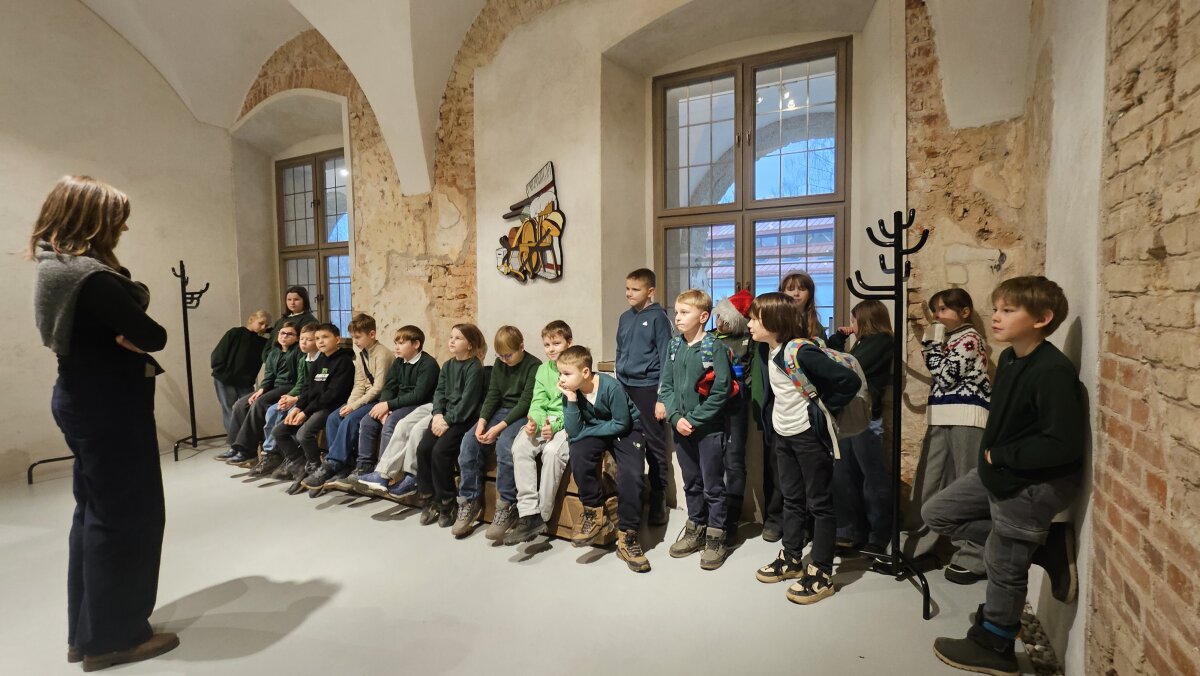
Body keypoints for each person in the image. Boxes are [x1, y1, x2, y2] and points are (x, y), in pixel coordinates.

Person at [32, 175, 178, 670]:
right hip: (109, 403)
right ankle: (114, 639)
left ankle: (87, 633)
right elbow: (153, 335)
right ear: (91, 220)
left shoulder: (55, 265)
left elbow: (136, 328)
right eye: (117, 219)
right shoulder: (90, 278)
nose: (123, 227)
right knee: (126, 519)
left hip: (83, 397)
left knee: (95, 514)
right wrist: (136, 323)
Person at [929, 276, 1084, 675]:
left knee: (1004, 563)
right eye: (996, 308)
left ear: (1042, 318)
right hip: (1001, 470)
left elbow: (1062, 445)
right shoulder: (1013, 358)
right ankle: (1041, 546)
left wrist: (1000, 454)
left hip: (1033, 481)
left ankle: (995, 646)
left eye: (1008, 310)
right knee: (937, 514)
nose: (996, 317)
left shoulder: (1052, 371)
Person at [749, 292, 860, 606]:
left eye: (755, 318)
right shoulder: (768, 349)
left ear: (775, 321)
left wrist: (821, 411)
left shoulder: (799, 350)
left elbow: (848, 382)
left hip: (808, 437)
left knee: (820, 504)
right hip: (784, 435)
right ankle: (792, 558)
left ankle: (822, 571)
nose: (750, 324)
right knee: (791, 498)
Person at [904, 288, 992, 584]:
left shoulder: (970, 339)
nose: (937, 315)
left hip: (968, 416)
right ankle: (919, 544)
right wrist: (934, 345)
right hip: (941, 415)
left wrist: (930, 344)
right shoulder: (948, 340)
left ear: (964, 312)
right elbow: (940, 372)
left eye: (943, 309)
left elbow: (945, 376)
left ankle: (974, 555)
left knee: (966, 484)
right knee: (929, 479)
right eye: (935, 310)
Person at [560, 346, 651, 573]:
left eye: (567, 373)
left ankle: (628, 537)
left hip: (627, 430)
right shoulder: (571, 391)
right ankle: (594, 512)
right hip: (598, 429)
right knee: (578, 453)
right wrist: (571, 399)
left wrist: (587, 432)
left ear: (585, 372)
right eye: (560, 373)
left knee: (632, 473)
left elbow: (621, 423)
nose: (561, 379)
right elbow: (574, 431)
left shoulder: (610, 386)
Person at [660, 289, 733, 570]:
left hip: (708, 430)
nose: (677, 317)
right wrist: (675, 417)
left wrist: (694, 419)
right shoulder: (673, 346)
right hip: (681, 428)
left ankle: (716, 536)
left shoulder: (714, 347)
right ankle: (695, 528)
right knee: (691, 482)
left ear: (703, 317)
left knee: (713, 484)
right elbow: (666, 386)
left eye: (684, 312)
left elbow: (721, 390)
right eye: (676, 312)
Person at [453, 326, 541, 538]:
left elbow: (525, 402)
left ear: (521, 347)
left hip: (522, 413)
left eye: (508, 355)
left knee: (505, 445)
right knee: (469, 442)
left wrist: (498, 428)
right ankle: (469, 501)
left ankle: (507, 505)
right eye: (500, 356)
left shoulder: (534, 366)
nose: (504, 360)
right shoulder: (500, 365)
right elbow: (493, 395)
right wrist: (482, 422)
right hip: (500, 411)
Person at [827, 300, 894, 558]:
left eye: (854, 319)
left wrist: (837, 348)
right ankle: (850, 532)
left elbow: (846, 367)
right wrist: (837, 338)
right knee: (844, 476)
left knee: (872, 479)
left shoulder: (882, 341)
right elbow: (838, 362)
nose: (851, 324)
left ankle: (878, 535)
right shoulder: (863, 343)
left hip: (866, 418)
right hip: (849, 416)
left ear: (866, 319)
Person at [498, 320, 573, 545]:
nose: (551, 349)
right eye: (547, 344)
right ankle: (528, 513)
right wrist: (535, 421)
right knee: (520, 445)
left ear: (569, 343)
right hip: (545, 421)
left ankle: (543, 515)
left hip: (568, 422)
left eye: (556, 343)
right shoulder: (542, 369)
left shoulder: (575, 366)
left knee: (551, 452)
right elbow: (537, 402)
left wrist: (554, 426)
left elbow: (573, 406)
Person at [300, 313, 394, 493]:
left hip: (379, 399)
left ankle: (332, 463)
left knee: (351, 419)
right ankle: (343, 464)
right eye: (353, 337)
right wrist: (349, 405)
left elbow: (378, 388)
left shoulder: (382, 354)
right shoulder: (361, 354)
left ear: (372, 334)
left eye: (358, 337)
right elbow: (359, 384)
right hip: (364, 398)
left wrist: (355, 406)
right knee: (334, 417)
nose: (355, 341)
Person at [348, 326, 439, 495]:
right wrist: (384, 405)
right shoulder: (398, 362)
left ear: (416, 344)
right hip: (397, 403)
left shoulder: (428, 364)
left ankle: (383, 475)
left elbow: (418, 395)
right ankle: (364, 466)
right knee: (368, 421)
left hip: (418, 405)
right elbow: (389, 386)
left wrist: (389, 406)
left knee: (392, 422)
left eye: (401, 343)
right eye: (396, 343)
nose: (396, 347)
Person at [615, 268, 672, 526]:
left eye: (635, 289)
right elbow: (620, 351)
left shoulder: (659, 318)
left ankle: (658, 495)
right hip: (625, 387)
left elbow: (666, 357)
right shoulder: (624, 318)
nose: (629, 293)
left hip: (648, 389)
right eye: (627, 288)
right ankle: (632, 495)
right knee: (627, 439)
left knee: (654, 442)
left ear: (650, 291)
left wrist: (662, 397)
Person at [415, 324, 488, 527]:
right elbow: (439, 393)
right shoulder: (447, 365)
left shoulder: (475, 367)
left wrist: (447, 420)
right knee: (423, 449)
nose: (452, 341)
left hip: (464, 419)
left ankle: (447, 502)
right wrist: (438, 414)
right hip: (444, 417)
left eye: (458, 338)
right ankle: (429, 498)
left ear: (470, 345)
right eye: (451, 337)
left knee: (440, 452)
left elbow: (468, 402)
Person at [272, 323, 355, 494]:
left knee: (304, 434)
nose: (320, 341)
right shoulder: (318, 360)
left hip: (332, 407)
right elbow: (307, 389)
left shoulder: (344, 362)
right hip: (313, 406)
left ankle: (315, 468)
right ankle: (301, 464)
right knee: (279, 431)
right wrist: (298, 408)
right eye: (317, 338)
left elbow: (332, 395)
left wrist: (306, 412)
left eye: (325, 337)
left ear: (337, 339)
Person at [219, 320, 302, 466]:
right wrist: (262, 389)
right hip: (273, 386)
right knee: (240, 404)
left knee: (259, 403)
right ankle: (234, 446)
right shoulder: (274, 352)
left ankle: (246, 450)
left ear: (297, 338)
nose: (284, 336)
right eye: (282, 333)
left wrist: (265, 393)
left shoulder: (298, 352)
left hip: (289, 387)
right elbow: (269, 376)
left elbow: (299, 379)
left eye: (290, 334)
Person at [253, 323, 320, 479]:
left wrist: (295, 399)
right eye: (302, 339)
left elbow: (315, 389)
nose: (303, 343)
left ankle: (290, 457)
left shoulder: (320, 360)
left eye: (309, 340)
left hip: (310, 400)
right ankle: (271, 453)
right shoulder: (303, 360)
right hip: (301, 396)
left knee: (290, 414)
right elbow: (301, 384)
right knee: (273, 409)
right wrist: (288, 397)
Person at [711, 289, 754, 537]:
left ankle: (732, 517)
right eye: (718, 317)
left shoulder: (749, 340)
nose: (720, 323)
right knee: (711, 459)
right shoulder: (709, 338)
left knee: (734, 460)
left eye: (726, 319)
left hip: (737, 404)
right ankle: (713, 512)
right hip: (710, 405)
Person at [210, 310, 269, 433]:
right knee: (229, 409)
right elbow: (219, 353)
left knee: (249, 408)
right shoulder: (235, 333)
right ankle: (234, 439)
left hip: (245, 381)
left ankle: (247, 438)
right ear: (251, 320)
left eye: (266, 325)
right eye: (261, 323)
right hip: (225, 378)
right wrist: (221, 370)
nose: (263, 327)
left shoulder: (262, 342)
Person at [263, 286, 317, 359]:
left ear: (304, 301)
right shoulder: (281, 320)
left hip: (292, 360)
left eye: (296, 299)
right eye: (289, 299)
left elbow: (305, 345)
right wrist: (266, 356)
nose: (292, 303)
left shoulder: (309, 321)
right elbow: (271, 339)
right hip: (272, 359)